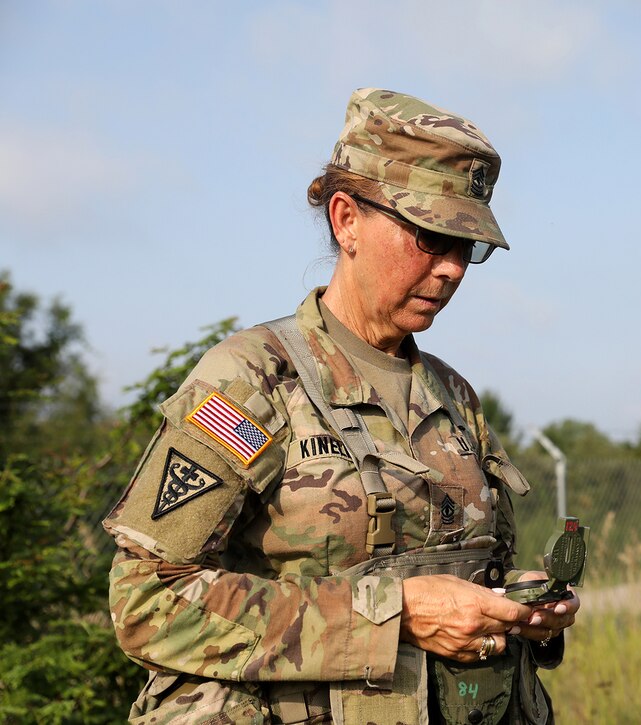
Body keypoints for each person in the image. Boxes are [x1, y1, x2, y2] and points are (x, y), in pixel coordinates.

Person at [104, 88, 577, 725]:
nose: (452, 270)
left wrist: (523, 610)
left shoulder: (454, 397)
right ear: (346, 218)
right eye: (429, 237)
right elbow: (147, 601)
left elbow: (480, 575)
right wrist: (396, 616)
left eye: (467, 247)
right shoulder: (251, 382)